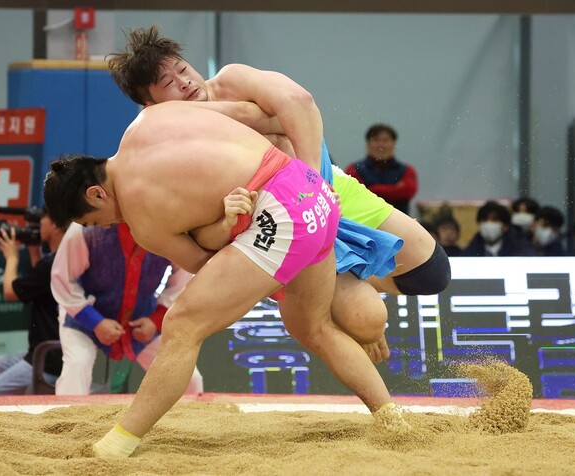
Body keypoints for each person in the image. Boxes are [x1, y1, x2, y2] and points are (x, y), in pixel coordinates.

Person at [43, 101, 410, 458]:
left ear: (97, 193)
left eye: (96, 221)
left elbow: (207, 264)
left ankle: (120, 441)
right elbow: (250, 114)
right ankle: (390, 416)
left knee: (182, 324)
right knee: (314, 327)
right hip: (314, 189)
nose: (108, 226)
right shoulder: (151, 118)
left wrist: (226, 232)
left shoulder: (141, 220)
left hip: (279, 217)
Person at [106, 26, 451, 361]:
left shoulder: (230, 81)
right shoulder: (165, 147)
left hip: (324, 184)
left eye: (183, 70)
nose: (184, 82)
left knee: (432, 273)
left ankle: (354, 273)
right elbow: (198, 242)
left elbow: (300, 102)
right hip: (279, 229)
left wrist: (316, 184)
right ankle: (338, 294)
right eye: (169, 84)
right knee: (368, 321)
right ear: (150, 104)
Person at [50, 222, 202, 395]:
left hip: (142, 316)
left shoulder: (171, 229)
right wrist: (94, 321)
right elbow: (63, 280)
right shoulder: (86, 227)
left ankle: (192, 414)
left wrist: (156, 320)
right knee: (77, 365)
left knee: (189, 379)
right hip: (83, 315)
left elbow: (183, 282)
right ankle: (68, 413)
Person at [0, 208, 66, 396]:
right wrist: (34, 252)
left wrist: (11, 257)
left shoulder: (51, 264)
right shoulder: (62, 259)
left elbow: (10, 293)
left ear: (56, 226)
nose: (39, 223)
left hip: (46, 362)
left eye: (43, 218)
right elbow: (41, 284)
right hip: (49, 354)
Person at [344, 124, 418, 216]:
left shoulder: (407, 170)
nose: (380, 145)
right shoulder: (354, 169)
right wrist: (395, 190)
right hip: (365, 221)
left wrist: (372, 189)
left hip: (399, 222)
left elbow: (408, 191)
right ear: (367, 144)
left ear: (394, 144)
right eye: (376, 140)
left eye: (385, 140)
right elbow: (355, 196)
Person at [462, 201, 535, 257]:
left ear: (506, 226)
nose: (489, 224)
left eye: (494, 220)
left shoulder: (521, 250)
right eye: (484, 220)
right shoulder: (470, 251)